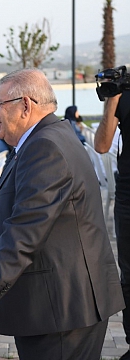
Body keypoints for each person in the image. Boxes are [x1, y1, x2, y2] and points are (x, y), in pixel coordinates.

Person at [0, 69, 124, 360]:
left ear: (25, 106)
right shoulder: (48, 137)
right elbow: (33, 217)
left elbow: (27, 229)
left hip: (64, 309)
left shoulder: (45, 147)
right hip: (63, 304)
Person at [95, 90, 130, 360]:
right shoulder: (123, 95)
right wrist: (112, 101)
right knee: (128, 277)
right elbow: (102, 145)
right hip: (128, 198)